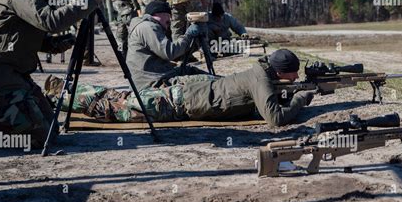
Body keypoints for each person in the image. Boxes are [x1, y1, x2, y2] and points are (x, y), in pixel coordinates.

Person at [0, 0, 103, 148]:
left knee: (52, 128)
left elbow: (18, 32)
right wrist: (88, 0)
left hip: (14, 71)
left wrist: (51, 44)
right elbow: (49, 20)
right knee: (39, 137)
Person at [45, 49, 313, 128]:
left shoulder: (261, 73)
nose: (296, 76)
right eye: (294, 73)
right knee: (114, 106)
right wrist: (300, 99)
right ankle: (62, 95)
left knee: (118, 98)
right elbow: (276, 119)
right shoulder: (261, 80)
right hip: (174, 103)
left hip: (184, 96)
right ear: (280, 72)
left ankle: (64, 90)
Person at [126, 0, 210, 90]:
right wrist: (188, 35)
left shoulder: (146, 26)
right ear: (159, 13)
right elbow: (170, 52)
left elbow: (176, 55)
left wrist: (195, 40)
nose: (169, 20)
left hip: (154, 76)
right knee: (207, 81)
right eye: (168, 16)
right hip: (152, 82)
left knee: (190, 70)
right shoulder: (148, 27)